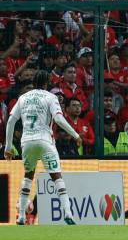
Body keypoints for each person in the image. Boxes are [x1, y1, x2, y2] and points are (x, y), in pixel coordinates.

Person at [3, 70, 82, 225]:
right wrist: (75, 134)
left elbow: (11, 121)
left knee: (28, 176)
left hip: (27, 142)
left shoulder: (23, 97)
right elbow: (58, 119)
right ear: (47, 83)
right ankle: (68, 213)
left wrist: (8, 146)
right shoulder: (50, 97)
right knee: (56, 177)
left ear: (34, 82)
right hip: (45, 141)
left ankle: (21, 216)